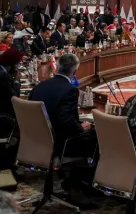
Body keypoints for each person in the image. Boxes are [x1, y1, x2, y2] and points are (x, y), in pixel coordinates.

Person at [28, 53, 96, 205]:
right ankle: (76, 187)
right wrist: (82, 128)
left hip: (34, 141)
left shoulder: (40, 86)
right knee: (94, 138)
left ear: (56, 68)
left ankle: (70, 181)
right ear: (75, 73)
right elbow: (67, 123)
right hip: (57, 144)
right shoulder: (70, 90)